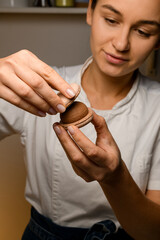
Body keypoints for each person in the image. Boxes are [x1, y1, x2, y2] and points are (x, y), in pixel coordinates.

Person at [0, 0, 160, 239]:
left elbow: (153, 231)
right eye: (111, 20)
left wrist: (115, 180)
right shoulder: (35, 88)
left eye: (143, 31)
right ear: (90, 12)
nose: (121, 43)